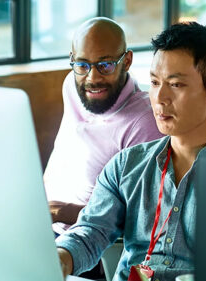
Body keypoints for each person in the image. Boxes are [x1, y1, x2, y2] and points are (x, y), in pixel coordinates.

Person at [56, 22, 206, 281]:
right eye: (155, 82)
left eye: (176, 85)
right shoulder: (125, 166)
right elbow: (91, 230)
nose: (159, 98)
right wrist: (62, 257)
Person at [43, 17, 163, 234]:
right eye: (82, 65)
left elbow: (141, 217)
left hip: (86, 243)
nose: (92, 78)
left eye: (105, 65)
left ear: (126, 61)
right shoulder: (72, 84)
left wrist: (62, 212)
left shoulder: (144, 121)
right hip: (41, 224)